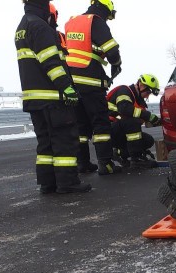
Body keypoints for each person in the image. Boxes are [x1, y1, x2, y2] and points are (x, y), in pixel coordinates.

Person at [16, 0, 91, 194]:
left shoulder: (22, 26)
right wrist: (67, 88)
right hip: (52, 98)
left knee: (45, 143)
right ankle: (68, 183)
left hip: (34, 99)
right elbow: (51, 62)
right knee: (64, 140)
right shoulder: (40, 27)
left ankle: (48, 183)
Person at [64, 0, 124, 175]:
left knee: (81, 125)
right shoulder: (96, 21)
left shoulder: (72, 21)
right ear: (106, 9)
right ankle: (105, 163)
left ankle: (83, 163)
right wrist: (117, 64)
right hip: (90, 81)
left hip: (71, 82)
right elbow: (112, 50)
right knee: (100, 123)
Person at [106, 74, 161, 169]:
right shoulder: (124, 91)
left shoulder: (138, 101)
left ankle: (120, 153)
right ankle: (136, 160)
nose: (147, 95)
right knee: (132, 121)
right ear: (141, 85)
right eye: (148, 92)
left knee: (148, 140)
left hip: (121, 132)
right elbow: (125, 109)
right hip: (108, 129)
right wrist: (148, 116)